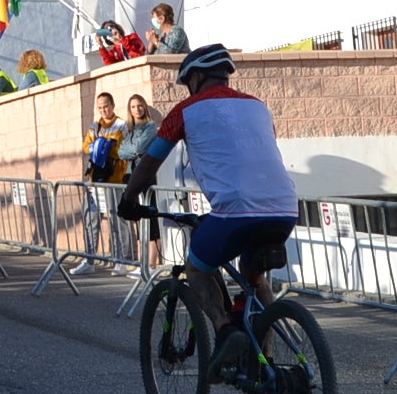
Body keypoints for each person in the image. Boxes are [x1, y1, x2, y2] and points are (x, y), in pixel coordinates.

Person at [117, 44, 298, 375]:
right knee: (255, 279)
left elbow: (148, 164)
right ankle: (266, 365)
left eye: (188, 82)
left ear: (196, 77)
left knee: (198, 269)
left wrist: (129, 200)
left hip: (234, 210)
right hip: (285, 207)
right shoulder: (259, 107)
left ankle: (225, 330)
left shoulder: (185, 111)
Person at [115, 93, 160, 267]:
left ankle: (151, 263)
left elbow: (139, 148)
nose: (137, 109)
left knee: (150, 219)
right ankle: (142, 262)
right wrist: (131, 150)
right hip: (131, 175)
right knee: (137, 218)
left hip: (146, 175)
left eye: (140, 105)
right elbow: (121, 151)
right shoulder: (131, 129)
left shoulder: (150, 127)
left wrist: (132, 150)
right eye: (133, 106)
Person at [81, 92, 125, 258]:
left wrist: (107, 147)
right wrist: (97, 146)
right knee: (91, 219)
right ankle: (90, 259)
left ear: (112, 105)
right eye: (100, 108)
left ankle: (121, 259)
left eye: (106, 106)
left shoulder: (121, 125)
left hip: (114, 180)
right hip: (95, 179)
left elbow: (123, 149)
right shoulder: (95, 126)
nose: (103, 110)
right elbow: (86, 146)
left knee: (117, 222)